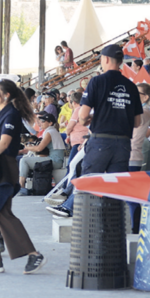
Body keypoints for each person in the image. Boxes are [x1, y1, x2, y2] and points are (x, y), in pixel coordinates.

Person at [47, 44, 143, 217]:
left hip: (101, 140)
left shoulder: (97, 81)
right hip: (123, 143)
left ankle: (70, 208)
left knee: (89, 177)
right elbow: (137, 122)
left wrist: (91, 118)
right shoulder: (131, 86)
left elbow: (83, 116)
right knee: (115, 184)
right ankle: (111, 220)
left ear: (105, 59)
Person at [0, 79, 46, 275]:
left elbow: (4, 144)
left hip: (4, 170)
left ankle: (29, 254)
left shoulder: (11, 115)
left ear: (6, 95)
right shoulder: (0, 113)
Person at [18, 112, 65, 195]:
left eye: (43, 121)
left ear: (50, 123)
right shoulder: (51, 131)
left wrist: (26, 147)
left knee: (24, 161)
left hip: (54, 160)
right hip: (55, 159)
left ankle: (21, 186)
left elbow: (39, 148)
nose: (41, 123)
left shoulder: (49, 132)